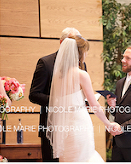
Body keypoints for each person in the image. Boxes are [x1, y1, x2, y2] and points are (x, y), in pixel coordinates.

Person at [46, 37, 119, 162]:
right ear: (80, 54)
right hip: (79, 123)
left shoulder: (57, 76)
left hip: (64, 126)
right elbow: (94, 105)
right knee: (84, 157)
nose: (86, 54)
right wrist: (108, 124)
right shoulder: (81, 74)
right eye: (86, 51)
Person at [29, 27, 84, 161]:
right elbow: (34, 94)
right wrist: (59, 101)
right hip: (52, 127)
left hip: (74, 125)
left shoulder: (81, 64)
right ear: (62, 42)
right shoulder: (46, 63)